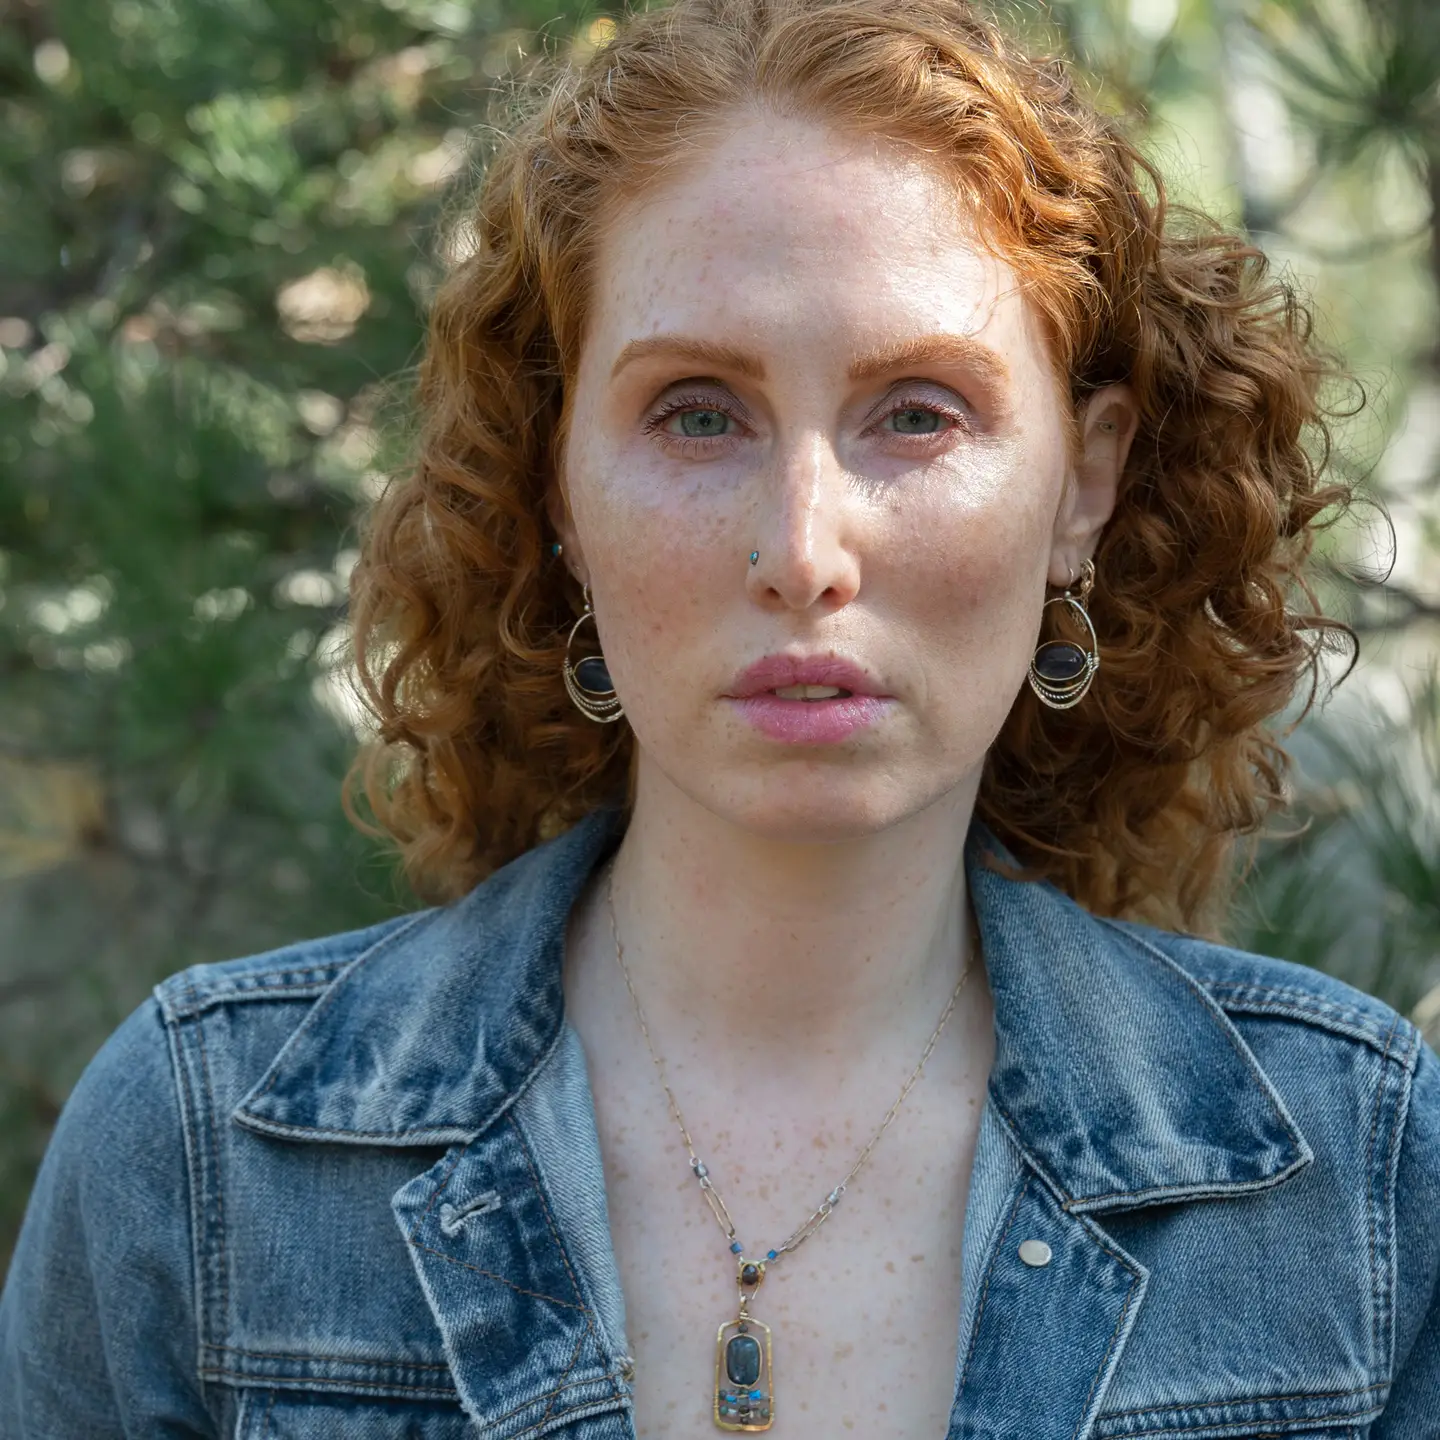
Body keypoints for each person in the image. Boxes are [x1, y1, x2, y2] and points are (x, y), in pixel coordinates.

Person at [3, 0, 1438, 1434]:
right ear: (559, 487)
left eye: (918, 412)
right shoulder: (202, 1158)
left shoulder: (1364, 1186)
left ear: (1085, 483)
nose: (804, 552)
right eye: (698, 413)